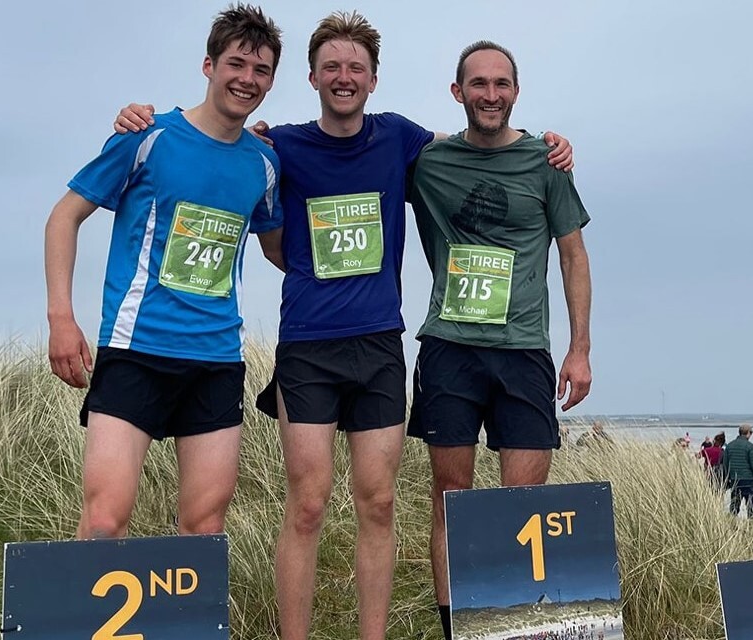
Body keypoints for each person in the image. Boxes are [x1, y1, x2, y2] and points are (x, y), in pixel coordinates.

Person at [113, 12, 573, 640]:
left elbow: (477, 144)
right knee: (306, 506)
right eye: (331, 67)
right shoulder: (281, 146)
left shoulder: (403, 140)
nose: (344, 77)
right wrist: (141, 115)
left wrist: (545, 143)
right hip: (307, 347)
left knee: (378, 504)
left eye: (356, 67)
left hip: (381, 343)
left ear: (374, 79)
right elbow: (271, 236)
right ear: (311, 77)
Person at [45, 4, 284, 540]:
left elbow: (280, 251)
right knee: (106, 517)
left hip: (217, 359)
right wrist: (61, 317)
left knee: (204, 525)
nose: (247, 79)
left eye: (261, 70)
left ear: (271, 80)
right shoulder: (148, 135)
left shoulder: (264, 163)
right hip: (137, 349)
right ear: (209, 65)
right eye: (236, 64)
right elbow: (64, 217)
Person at [406, 40, 592, 640]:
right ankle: (454, 629)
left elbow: (572, 254)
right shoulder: (426, 160)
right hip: (449, 348)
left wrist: (580, 348)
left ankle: (515, 629)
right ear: (458, 93)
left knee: (523, 507)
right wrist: (268, 136)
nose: (491, 95)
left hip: (524, 353)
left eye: (502, 84)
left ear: (516, 92)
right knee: (452, 499)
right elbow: (350, 148)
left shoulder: (547, 162)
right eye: (478, 84)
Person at [722, 424, 753, 517]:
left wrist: (727, 479)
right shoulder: (750, 446)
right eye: (750, 433)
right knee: (751, 505)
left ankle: (732, 523)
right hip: (749, 479)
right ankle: (751, 525)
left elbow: (725, 464)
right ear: (748, 433)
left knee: (735, 504)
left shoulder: (730, 446)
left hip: (735, 479)